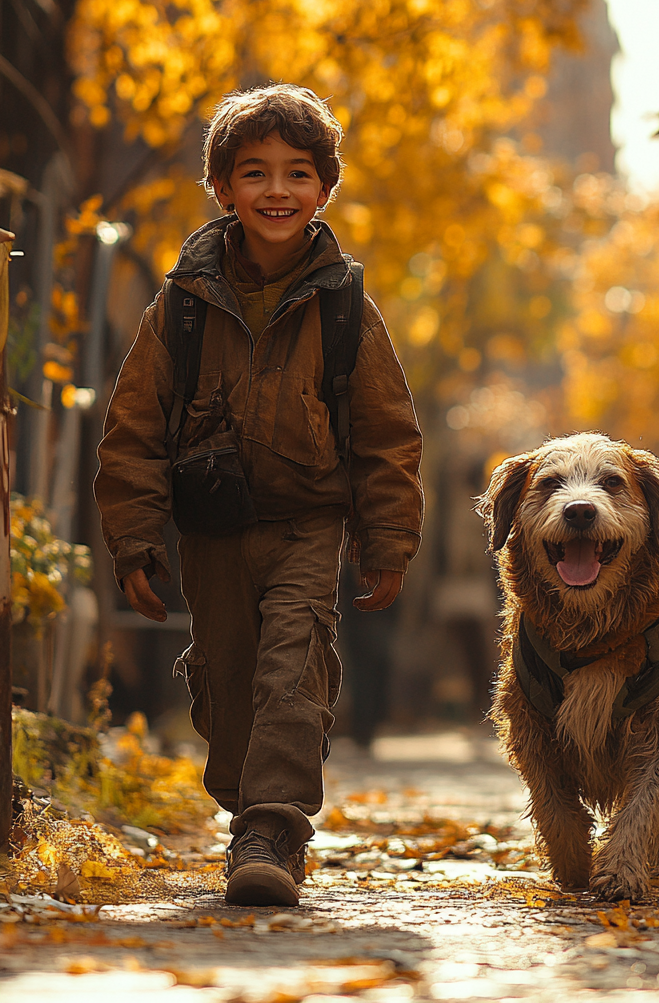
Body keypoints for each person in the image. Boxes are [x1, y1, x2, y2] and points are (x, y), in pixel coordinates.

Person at [94, 84, 423, 907]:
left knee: (291, 668)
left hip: (309, 523)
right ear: (223, 189)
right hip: (210, 529)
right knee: (227, 675)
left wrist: (385, 542)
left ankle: (270, 828)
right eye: (255, 173)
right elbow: (132, 428)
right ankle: (248, 808)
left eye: (298, 174)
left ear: (324, 188)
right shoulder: (182, 306)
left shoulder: (346, 305)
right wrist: (134, 540)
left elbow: (388, 436)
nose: (277, 190)